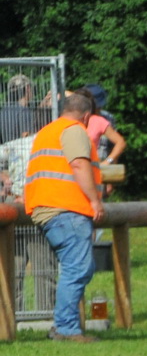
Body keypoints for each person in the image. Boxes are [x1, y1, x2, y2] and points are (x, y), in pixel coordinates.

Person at [23, 89, 105, 342]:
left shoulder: (47, 132)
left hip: (44, 208)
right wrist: (94, 201)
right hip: (67, 207)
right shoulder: (74, 131)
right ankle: (66, 329)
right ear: (87, 116)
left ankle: (64, 326)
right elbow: (79, 165)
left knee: (77, 268)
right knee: (77, 268)